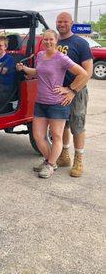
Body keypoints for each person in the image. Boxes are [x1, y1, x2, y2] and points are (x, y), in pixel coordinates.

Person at [16, 29, 88, 179]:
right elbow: (37, 72)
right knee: (38, 136)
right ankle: (50, 161)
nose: (48, 42)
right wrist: (23, 69)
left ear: (56, 41)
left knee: (56, 136)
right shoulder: (41, 56)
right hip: (41, 102)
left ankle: (49, 165)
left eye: (51, 40)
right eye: (46, 40)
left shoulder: (61, 58)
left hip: (57, 103)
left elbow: (83, 73)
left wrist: (70, 89)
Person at [56, 12, 93, 177]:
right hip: (58, 91)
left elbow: (88, 71)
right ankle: (64, 156)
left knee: (77, 125)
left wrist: (72, 90)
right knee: (62, 125)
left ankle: (79, 160)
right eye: (59, 21)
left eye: (65, 21)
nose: (61, 24)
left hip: (76, 91)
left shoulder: (80, 43)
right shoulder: (53, 41)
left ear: (71, 23)